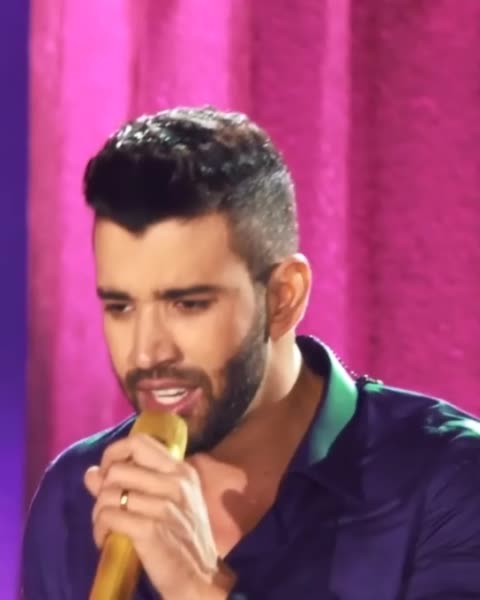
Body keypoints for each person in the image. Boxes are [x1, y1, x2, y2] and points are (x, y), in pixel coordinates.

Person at [22, 106, 480, 599]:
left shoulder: (449, 479)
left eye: (188, 304)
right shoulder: (74, 494)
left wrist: (199, 587)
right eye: (121, 307)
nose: (147, 352)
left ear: (283, 298)